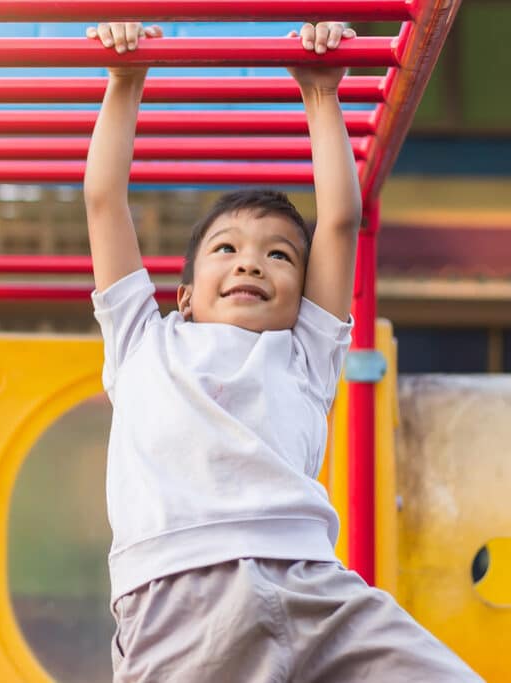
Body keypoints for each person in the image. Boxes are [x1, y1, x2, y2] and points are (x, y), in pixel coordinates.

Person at [83, 20, 483, 682]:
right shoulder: (142, 339)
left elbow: (338, 221)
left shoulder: (303, 351)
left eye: (278, 255)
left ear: (303, 292)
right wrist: (125, 82)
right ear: (183, 295)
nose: (252, 264)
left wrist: (321, 95)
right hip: (180, 596)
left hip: (314, 588)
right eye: (227, 249)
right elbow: (104, 202)